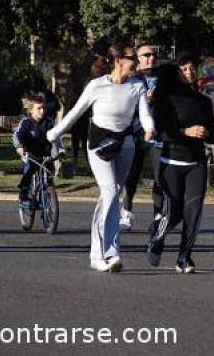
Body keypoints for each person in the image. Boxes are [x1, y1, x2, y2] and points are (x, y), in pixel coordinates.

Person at [47, 42, 155, 273]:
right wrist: (54, 133)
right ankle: (104, 254)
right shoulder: (96, 86)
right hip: (99, 145)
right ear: (118, 61)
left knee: (112, 196)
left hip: (124, 144)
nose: (137, 63)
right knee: (110, 193)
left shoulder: (137, 85)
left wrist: (149, 127)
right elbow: (75, 113)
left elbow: (144, 112)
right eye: (132, 59)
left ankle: (106, 252)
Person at [146, 62, 214, 273]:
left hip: (196, 162)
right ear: (174, 74)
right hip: (171, 161)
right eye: (183, 69)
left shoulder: (203, 100)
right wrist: (186, 132)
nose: (189, 72)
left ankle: (184, 258)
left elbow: (210, 134)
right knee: (174, 212)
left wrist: (212, 134)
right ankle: (157, 238)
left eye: (192, 68)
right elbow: (162, 132)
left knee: (193, 212)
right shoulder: (164, 99)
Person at [119, 43, 164, 231]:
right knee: (131, 175)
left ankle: (158, 216)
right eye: (145, 55)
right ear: (137, 59)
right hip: (135, 133)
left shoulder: (164, 78)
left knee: (160, 177)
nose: (150, 58)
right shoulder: (132, 79)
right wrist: (143, 99)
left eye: (153, 54)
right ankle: (126, 212)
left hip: (158, 135)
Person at [13, 93, 66, 207]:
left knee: (48, 176)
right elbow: (17, 135)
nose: (42, 111)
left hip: (45, 155)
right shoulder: (26, 122)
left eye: (44, 108)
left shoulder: (50, 122)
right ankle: (23, 196)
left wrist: (61, 147)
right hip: (30, 154)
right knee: (29, 171)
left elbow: (57, 136)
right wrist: (20, 147)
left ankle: (46, 196)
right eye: (39, 108)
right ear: (31, 110)